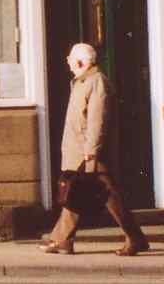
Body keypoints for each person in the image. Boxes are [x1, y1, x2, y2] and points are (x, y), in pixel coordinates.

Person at [41, 42, 149, 257]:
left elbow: (96, 121)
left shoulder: (96, 82)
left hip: (89, 152)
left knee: (107, 195)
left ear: (81, 62)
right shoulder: (82, 82)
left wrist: (91, 150)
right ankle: (63, 240)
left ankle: (135, 238)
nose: (68, 64)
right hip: (79, 150)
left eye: (71, 60)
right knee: (77, 192)